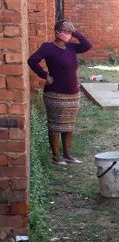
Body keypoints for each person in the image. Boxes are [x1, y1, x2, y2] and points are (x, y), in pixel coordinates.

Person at [28, 20, 92, 166]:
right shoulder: (48, 47)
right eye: (65, 30)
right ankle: (56, 156)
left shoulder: (71, 47)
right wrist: (45, 75)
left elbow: (87, 45)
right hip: (55, 93)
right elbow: (32, 61)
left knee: (69, 125)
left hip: (72, 94)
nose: (67, 33)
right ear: (56, 32)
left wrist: (75, 32)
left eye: (69, 31)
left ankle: (68, 155)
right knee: (55, 125)